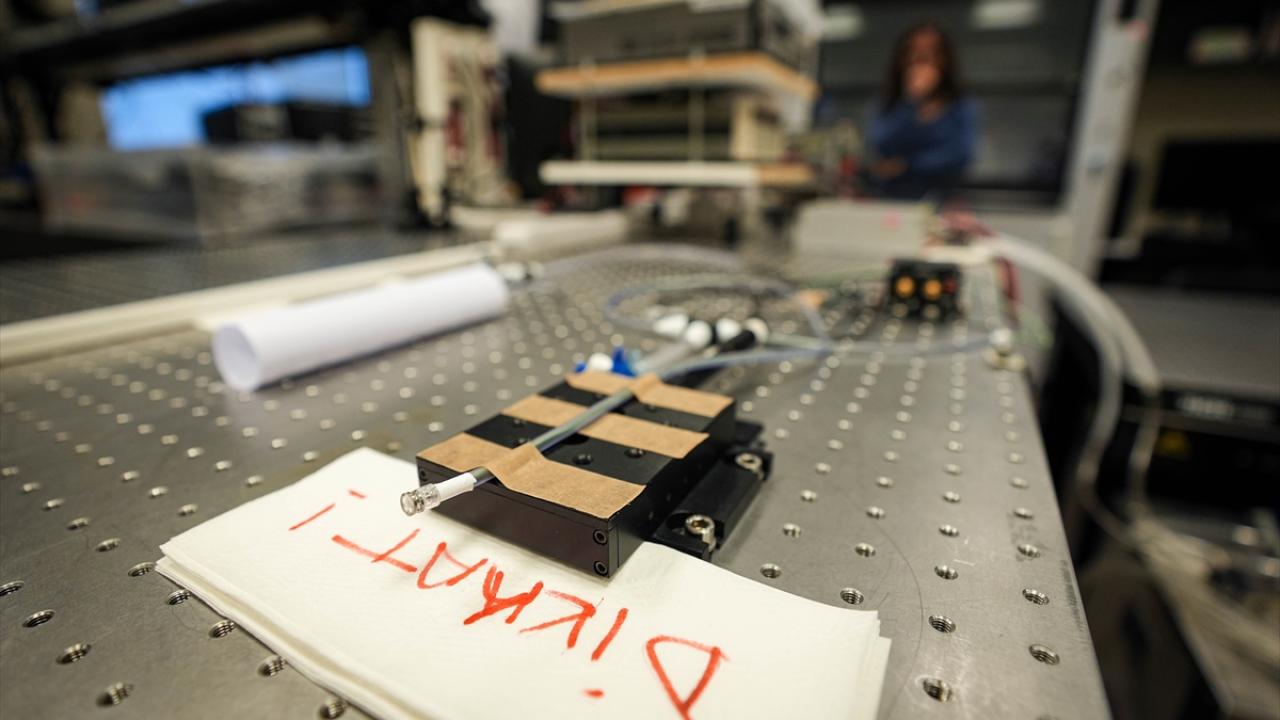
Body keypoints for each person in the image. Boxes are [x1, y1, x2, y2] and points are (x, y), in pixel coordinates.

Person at [867, 22, 978, 200]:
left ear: (945, 58)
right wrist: (912, 102)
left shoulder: (960, 104)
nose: (921, 58)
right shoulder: (888, 102)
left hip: (941, 199)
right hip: (890, 198)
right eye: (914, 51)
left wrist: (907, 165)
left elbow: (960, 155)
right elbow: (880, 145)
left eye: (931, 52)